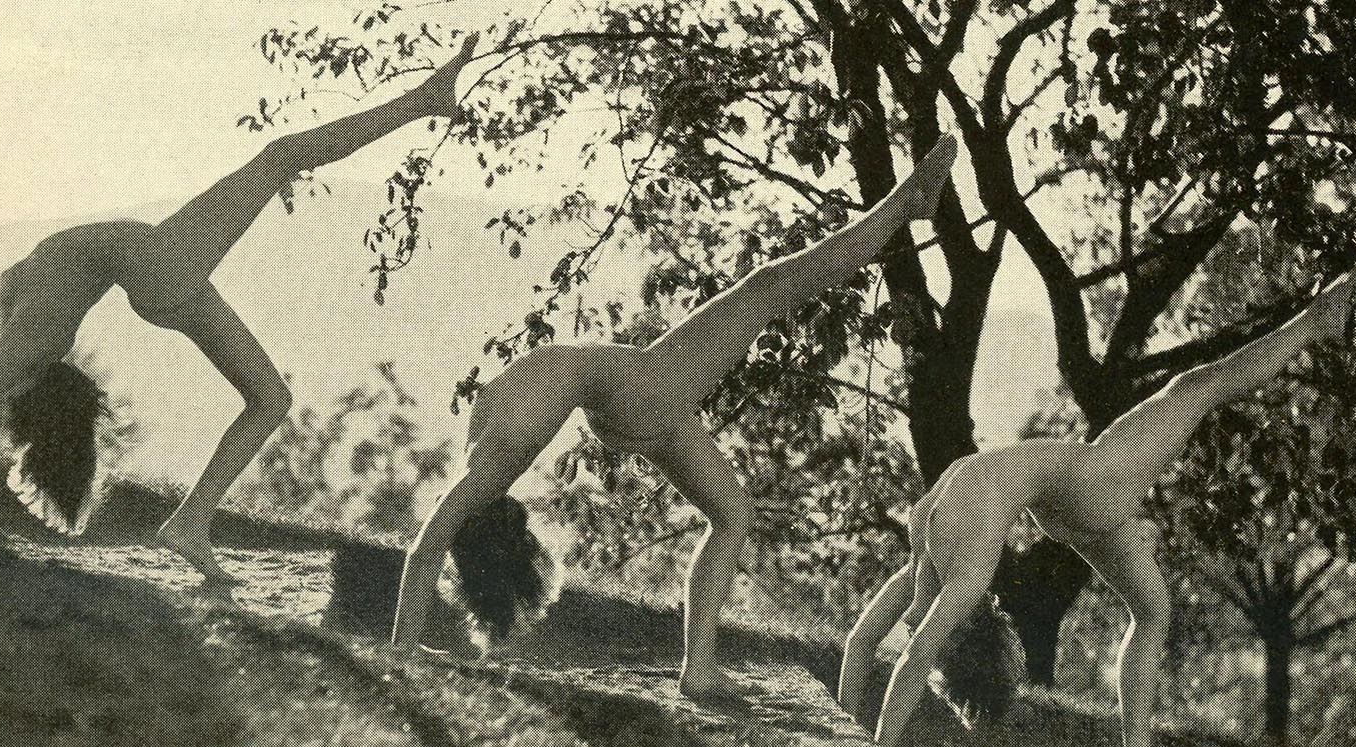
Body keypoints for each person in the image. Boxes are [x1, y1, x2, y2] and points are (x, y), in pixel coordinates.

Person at [392, 134, 961, 701]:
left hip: (635, 395)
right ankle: (904, 205)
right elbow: (423, 550)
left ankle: (700, 669)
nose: (523, 522)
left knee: (733, 510)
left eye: (515, 534)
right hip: (637, 391)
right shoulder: (500, 443)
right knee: (771, 289)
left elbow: (433, 544)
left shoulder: (495, 441)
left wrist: (406, 647)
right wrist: (402, 655)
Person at [0, 35, 481, 589]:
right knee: (281, 157)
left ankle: (189, 522)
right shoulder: (41, 331)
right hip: (160, 263)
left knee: (271, 399)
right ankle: (421, 101)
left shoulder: (31, 317)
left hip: (157, 266)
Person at [837, 272, 1356, 747]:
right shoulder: (956, 550)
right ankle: (1315, 322)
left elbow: (865, 643)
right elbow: (913, 653)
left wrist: (845, 737)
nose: (993, 603)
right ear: (969, 628)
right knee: (1199, 386)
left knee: (1152, 607)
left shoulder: (931, 545)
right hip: (1092, 487)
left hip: (1074, 502)